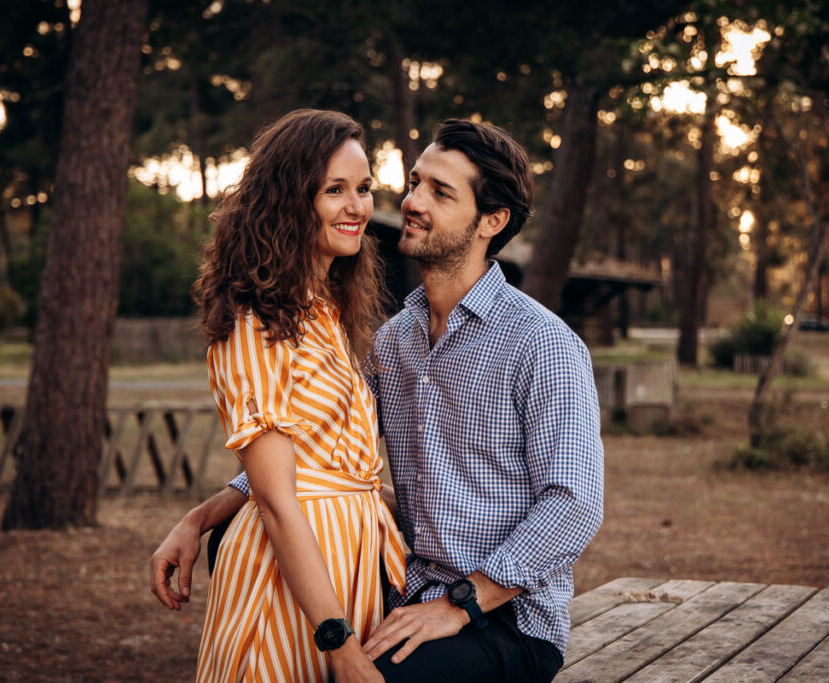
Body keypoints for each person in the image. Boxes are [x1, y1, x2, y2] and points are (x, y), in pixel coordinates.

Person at [151, 118, 604, 682]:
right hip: (406, 587)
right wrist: (203, 515)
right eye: (415, 182)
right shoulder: (395, 341)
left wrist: (461, 602)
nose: (411, 202)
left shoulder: (543, 343)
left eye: (440, 192)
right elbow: (315, 448)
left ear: (492, 221)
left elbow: (573, 505)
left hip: (503, 616)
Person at [181, 108, 407, 682]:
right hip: (290, 588)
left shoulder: (326, 309)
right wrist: (339, 643)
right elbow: (279, 499)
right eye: (335, 190)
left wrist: (201, 515)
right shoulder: (255, 321)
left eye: (363, 189)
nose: (357, 207)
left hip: (352, 565)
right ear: (289, 197)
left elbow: (314, 454)